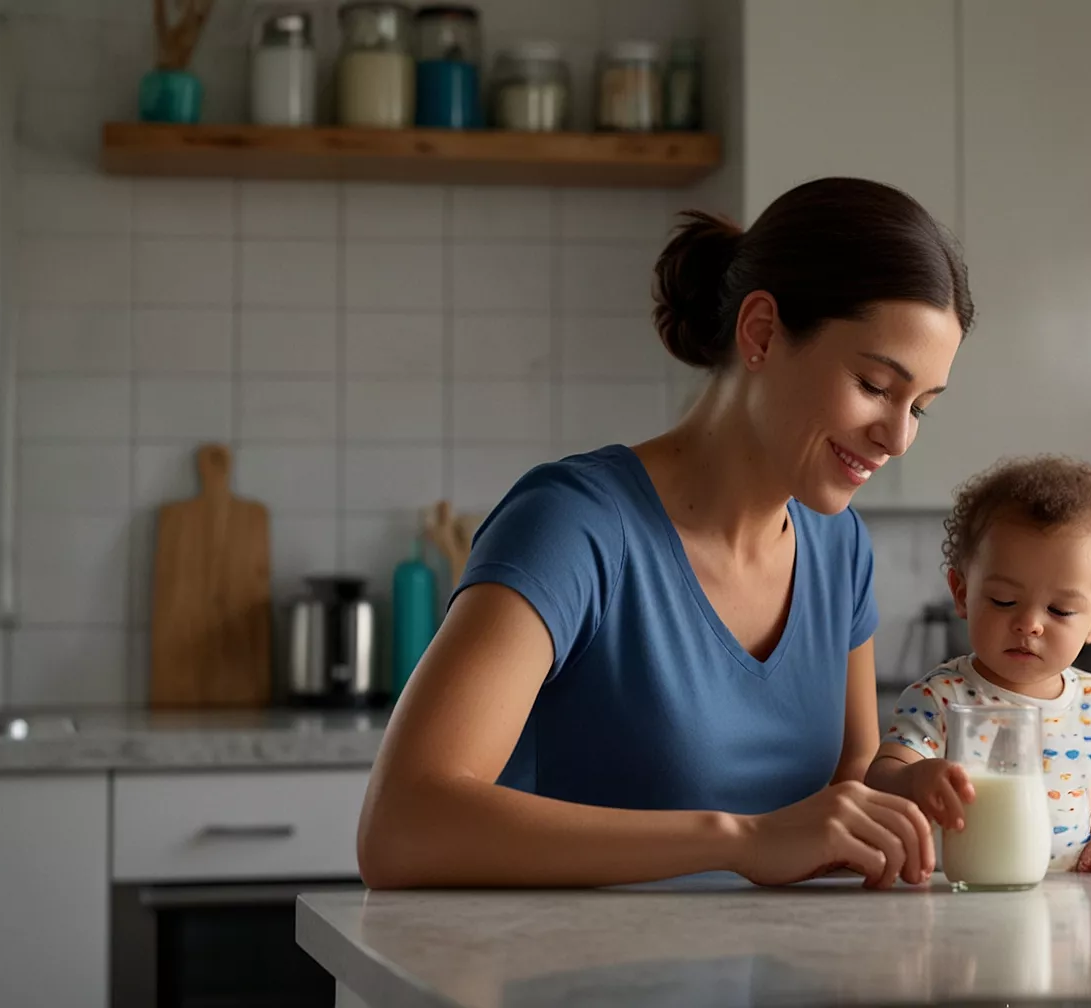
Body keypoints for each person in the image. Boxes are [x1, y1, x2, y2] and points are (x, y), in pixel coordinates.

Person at [356, 177, 974, 890]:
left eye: (920, 407)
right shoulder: (573, 526)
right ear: (762, 333)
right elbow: (402, 827)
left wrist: (916, 791)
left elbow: (846, 790)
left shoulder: (840, 551)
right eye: (874, 385)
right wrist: (737, 839)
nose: (897, 438)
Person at [865, 456, 1091, 876]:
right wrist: (913, 780)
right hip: (967, 898)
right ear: (961, 592)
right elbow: (881, 778)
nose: (1029, 624)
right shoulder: (941, 698)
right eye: (1004, 601)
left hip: (1067, 908)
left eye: (1060, 610)